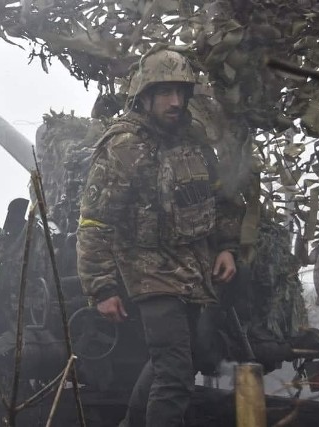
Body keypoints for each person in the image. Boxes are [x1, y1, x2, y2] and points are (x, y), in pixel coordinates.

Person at [76, 49, 242, 427]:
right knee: (175, 374)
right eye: (165, 92)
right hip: (149, 271)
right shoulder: (123, 146)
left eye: (181, 93)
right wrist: (101, 288)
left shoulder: (192, 139)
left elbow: (223, 197)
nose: (175, 102)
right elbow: (95, 222)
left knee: (188, 357)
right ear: (144, 96)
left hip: (195, 268)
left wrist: (228, 248)